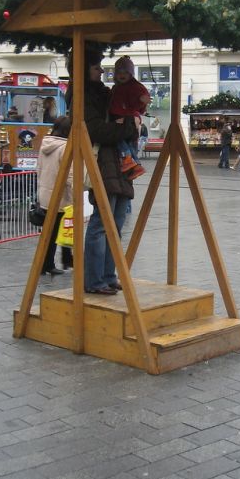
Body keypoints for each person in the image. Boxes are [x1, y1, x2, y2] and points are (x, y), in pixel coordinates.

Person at [84, 48, 137, 295]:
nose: (102, 71)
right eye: (97, 68)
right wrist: (127, 127)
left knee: (116, 221)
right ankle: (95, 279)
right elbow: (97, 130)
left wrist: (129, 124)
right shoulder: (85, 96)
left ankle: (107, 274)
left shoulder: (106, 93)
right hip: (104, 161)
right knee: (101, 223)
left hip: (118, 160)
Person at [36, 116, 73, 276]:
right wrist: (76, 196)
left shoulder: (45, 144)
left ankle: (51, 262)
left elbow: (39, 169)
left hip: (45, 194)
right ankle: (57, 262)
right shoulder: (65, 147)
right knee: (64, 228)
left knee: (51, 231)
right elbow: (70, 175)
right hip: (61, 196)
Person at [108, 55, 150, 180]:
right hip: (127, 116)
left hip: (125, 117)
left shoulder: (132, 86)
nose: (122, 75)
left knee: (119, 137)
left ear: (130, 74)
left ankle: (127, 158)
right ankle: (136, 164)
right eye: (119, 72)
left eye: (125, 72)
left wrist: (143, 100)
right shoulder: (118, 87)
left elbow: (141, 95)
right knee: (129, 143)